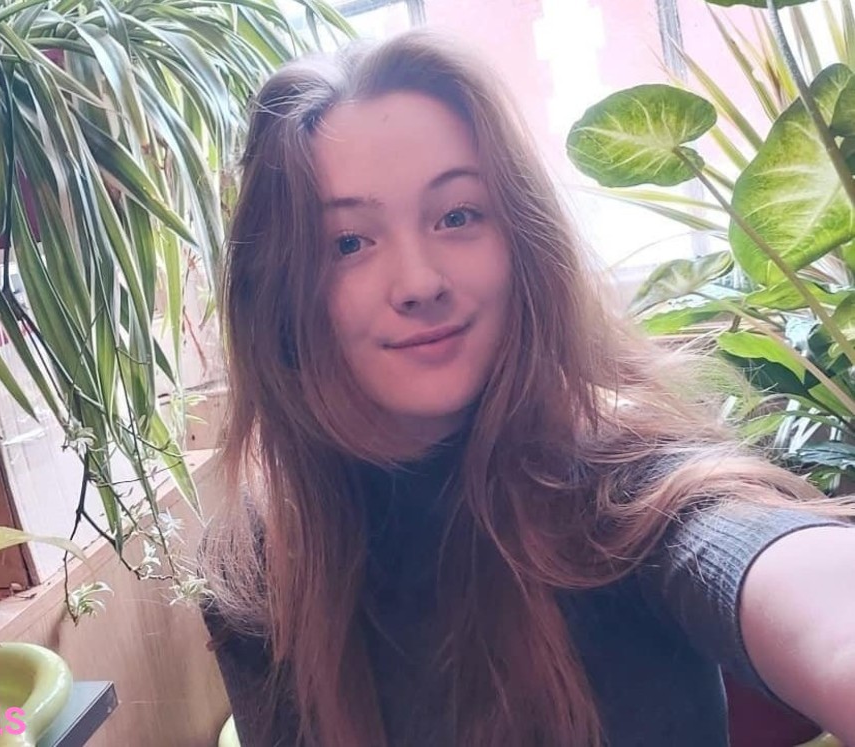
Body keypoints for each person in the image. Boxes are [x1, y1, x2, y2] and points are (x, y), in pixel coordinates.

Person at [198, 29, 855, 747]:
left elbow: (781, 575)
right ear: (279, 291)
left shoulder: (626, 492)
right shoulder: (261, 571)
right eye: (349, 243)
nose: (419, 282)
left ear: (521, 238)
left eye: (457, 216)